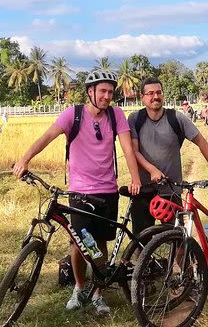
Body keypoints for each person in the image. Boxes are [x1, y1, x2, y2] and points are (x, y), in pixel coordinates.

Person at [13, 68, 141, 316]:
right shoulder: (74, 114)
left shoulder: (116, 115)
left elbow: (127, 148)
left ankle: (98, 292)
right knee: (80, 243)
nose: (107, 96)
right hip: (80, 192)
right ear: (90, 92)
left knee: (101, 242)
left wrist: (135, 179)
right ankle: (80, 287)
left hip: (108, 190)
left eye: (110, 92)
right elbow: (47, 136)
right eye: (102, 91)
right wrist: (24, 160)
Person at [128, 78, 208, 236]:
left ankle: (182, 262)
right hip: (144, 190)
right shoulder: (135, 119)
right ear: (142, 97)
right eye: (150, 93)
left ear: (163, 95)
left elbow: (201, 141)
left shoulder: (176, 118)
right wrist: (152, 170)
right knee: (140, 239)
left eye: (159, 92)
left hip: (170, 189)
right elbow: (133, 151)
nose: (155, 96)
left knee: (177, 237)